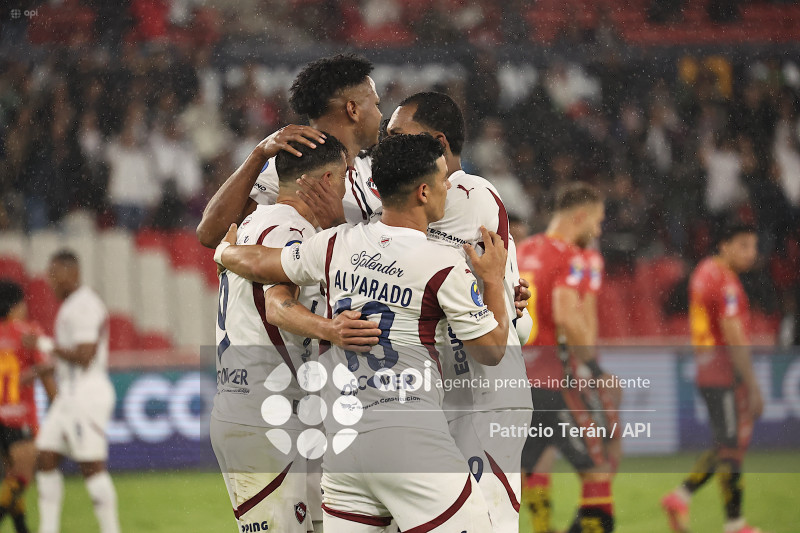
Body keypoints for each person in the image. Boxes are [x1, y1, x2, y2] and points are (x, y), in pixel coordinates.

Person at [215, 133, 510, 532]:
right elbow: (491, 351)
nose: (447, 189)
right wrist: (492, 282)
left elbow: (263, 263)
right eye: (442, 181)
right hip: (410, 435)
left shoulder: (335, 244)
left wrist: (223, 251)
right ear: (423, 192)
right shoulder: (442, 263)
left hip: (345, 447)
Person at [210, 133, 382, 533]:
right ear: (323, 179)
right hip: (261, 413)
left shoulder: (266, 222)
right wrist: (332, 330)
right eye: (342, 178)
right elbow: (277, 305)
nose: (344, 189)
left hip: (280, 410)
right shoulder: (283, 226)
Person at [385, 91, 533, 532]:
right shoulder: (425, 200)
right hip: (445, 389)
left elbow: (402, 260)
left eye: (398, 135)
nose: (386, 144)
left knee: (486, 521)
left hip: (485, 394)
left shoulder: (469, 194)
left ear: (437, 140)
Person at [196, 54, 383, 248]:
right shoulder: (293, 164)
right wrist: (258, 155)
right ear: (353, 109)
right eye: (376, 104)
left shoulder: (374, 167)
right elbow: (210, 234)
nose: (380, 114)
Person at [516, 183, 615, 533]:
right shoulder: (572, 256)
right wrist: (595, 367)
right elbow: (569, 316)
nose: (598, 230)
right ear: (581, 216)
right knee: (599, 473)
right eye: (598, 221)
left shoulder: (524, 249)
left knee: (535, 464)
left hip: (521, 382)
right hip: (558, 381)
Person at [661, 221, 763, 533]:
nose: (751, 253)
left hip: (708, 369)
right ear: (725, 244)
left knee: (726, 445)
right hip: (722, 373)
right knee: (731, 446)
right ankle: (734, 523)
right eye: (743, 245)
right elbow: (734, 336)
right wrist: (753, 384)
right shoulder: (726, 282)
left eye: (754, 246)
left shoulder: (705, 270)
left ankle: (682, 498)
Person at [35, 251, 120, 533]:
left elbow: (85, 355)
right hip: (69, 392)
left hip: (88, 393)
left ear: (72, 272)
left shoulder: (84, 305)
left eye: (54, 274)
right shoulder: (74, 304)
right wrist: (44, 370)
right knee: (46, 457)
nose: (51, 282)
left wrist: (46, 346)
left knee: (91, 465)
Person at [0, 281, 56, 533]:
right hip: (20, 418)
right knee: (20, 480)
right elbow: (46, 372)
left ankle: (22, 530)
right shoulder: (28, 333)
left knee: (11, 480)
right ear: (15, 305)